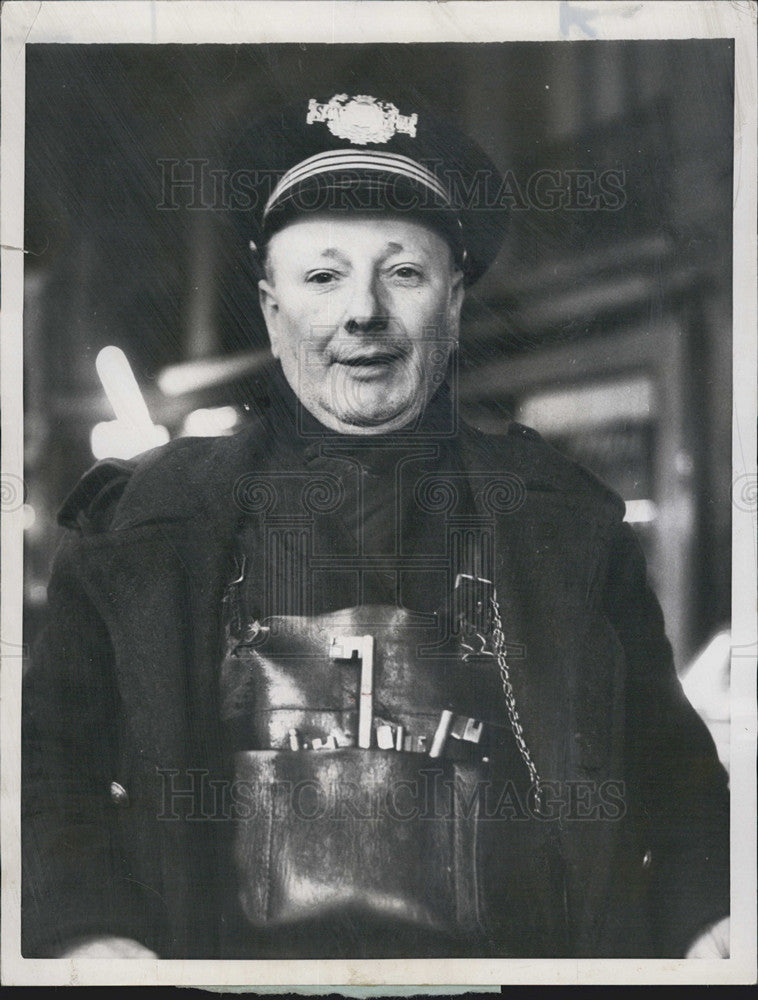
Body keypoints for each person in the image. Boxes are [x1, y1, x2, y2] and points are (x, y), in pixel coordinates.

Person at [22, 91, 730, 961]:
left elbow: (677, 775)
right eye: (323, 275)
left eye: (403, 272)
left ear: (456, 303)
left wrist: (711, 918)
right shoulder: (142, 531)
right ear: (274, 309)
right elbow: (49, 772)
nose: (364, 311)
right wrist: (90, 930)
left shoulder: (568, 526)